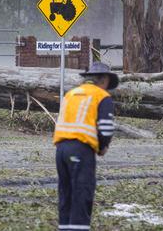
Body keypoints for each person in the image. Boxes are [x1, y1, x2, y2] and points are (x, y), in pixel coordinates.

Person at [53, 62, 119, 231]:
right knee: (82, 193)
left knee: (65, 193)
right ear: (103, 80)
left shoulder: (71, 94)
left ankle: (64, 228)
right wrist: (103, 146)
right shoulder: (101, 96)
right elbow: (106, 127)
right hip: (81, 149)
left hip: (60, 149)